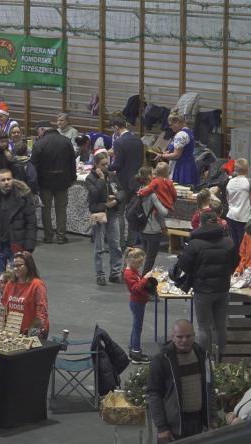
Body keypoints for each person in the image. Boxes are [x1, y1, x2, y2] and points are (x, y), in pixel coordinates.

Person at [178, 211, 239, 357]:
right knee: (220, 327)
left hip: (203, 291)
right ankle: (221, 359)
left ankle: (204, 359)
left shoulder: (194, 244)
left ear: (201, 224)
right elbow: (235, 263)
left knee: (203, 328)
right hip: (223, 290)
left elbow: (184, 266)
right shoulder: (229, 242)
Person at [146, 319, 216, 442]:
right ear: (172, 337)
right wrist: (162, 428)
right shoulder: (161, 361)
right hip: (174, 426)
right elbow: (154, 394)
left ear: (194, 336)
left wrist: (211, 420)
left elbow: (209, 388)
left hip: (198, 423)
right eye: (180, 337)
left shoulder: (203, 357)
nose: (184, 340)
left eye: (188, 336)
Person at [31, 120, 76, 244]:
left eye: (38, 131)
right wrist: (73, 178)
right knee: (61, 209)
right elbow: (72, 162)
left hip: (45, 182)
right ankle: (61, 236)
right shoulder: (66, 141)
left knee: (46, 209)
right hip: (63, 181)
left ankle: (48, 236)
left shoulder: (39, 144)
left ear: (42, 130)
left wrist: (34, 184)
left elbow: (33, 166)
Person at [86, 152, 123, 286]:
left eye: (108, 163)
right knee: (99, 246)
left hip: (112, 212)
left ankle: (115, 273)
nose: (106, 167)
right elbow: (94, 194)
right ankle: (100, 274)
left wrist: (117, 199)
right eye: (103, 165)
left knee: (115, 244)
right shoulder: (90, 178)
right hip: (99, 213)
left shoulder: (112, 175)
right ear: (96, 165)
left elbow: (121, 191)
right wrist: (101, 179)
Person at [109, 114, 145, 248]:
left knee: (120, 212)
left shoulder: (119, 142)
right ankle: (131, 241)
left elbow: (118, 164)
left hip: (122, 181)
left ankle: (120, 242)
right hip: (136, 181)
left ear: (116, 127)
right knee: (131, 213)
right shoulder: (138, 140)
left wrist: (107, 167)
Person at [0, 252, 50, 339]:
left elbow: (42, 310)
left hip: (31, 332)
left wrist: (35, 333)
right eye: (14, 266)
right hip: (13, 330)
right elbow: (4, 306)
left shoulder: (37, 285)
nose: (16, 268)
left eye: (20, 265)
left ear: (29, 266)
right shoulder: (10, 283)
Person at [123, 248, 157, 364]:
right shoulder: (128, 273)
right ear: (132, 261)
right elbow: (135, 288)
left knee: (136, 326)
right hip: (137, 302)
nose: (141, 266)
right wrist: (145, 278)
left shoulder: (132, 271)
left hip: (139, 301)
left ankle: (133, 348)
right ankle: (136, 352)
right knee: (137, 328)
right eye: (139, 263)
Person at [134, 166, 169, 276]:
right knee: (150, 259)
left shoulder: (140, 190)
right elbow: (163, 212)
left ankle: (140, 277)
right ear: (149, 177)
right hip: (153, 230)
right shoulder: (153, 194)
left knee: (146, 257)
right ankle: (144, 280)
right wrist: (167, 205)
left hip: (143, 228)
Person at [155, 109, 199, 186]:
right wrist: (168, 152)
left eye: (171, 125)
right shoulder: (188, 131)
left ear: (177, 123)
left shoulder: (180, 135)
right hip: (189, 164)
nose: (171, 127)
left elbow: (177, 155)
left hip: (181, 167)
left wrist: (162, 155)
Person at [226, 158, 251, 249]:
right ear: (247, 169)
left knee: (235, 244)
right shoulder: (250, 182)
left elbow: (228, 199)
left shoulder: (230, 182)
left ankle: (235, 262)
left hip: (231, 216)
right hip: (244, 218)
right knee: (245, 246)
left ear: (235, 169)